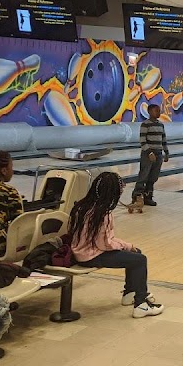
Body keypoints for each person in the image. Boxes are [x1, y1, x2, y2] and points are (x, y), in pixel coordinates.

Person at [70, 172, 164, 318]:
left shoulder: (81, 206)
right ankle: (141, 304)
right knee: (140, 259)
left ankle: (130, 293)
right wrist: (127, 245)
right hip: (91, 256)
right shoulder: (102, 213)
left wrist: (127, 247)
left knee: (135, 253)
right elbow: (105, 245)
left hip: (80, 251)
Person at [131, 103, 169, 207]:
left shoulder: (161, 125)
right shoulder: (145, 124)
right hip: (148, 154)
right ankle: (136, 196)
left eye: (159, 110)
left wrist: (166, 152)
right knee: (143, 175)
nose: (159, 112)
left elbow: (163, 140)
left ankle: (148, 197)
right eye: (156, 110)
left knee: (153, 177)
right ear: (149, 112)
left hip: (158, 153)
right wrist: (149, 153)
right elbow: (142, 141)